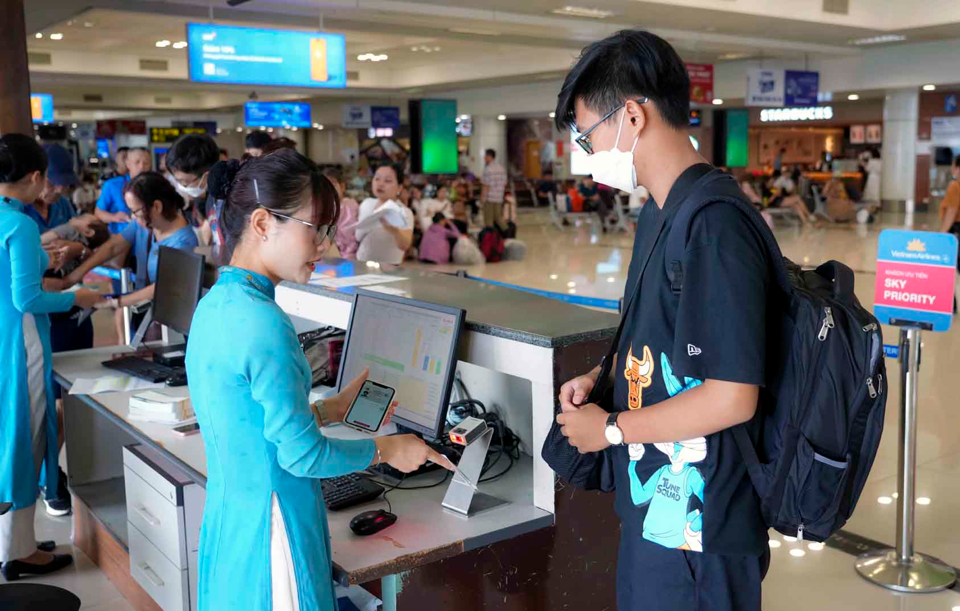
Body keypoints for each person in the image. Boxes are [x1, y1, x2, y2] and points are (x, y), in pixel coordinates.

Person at [553, 30, 771, 611]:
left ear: (631, 115)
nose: (585, 151)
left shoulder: (716, 225)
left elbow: (732, 397)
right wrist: (606, 374)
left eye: (587, 134)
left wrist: (612, 429)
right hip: (657, 510)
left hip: (702, 527)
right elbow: (670, 334)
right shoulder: (661, 211)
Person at [185, 148, 449, 611]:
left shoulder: (217, 303)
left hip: (232, 524)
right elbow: (302, 456)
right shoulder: (264, 321)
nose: (325, 244)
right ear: (264, 223)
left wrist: (330, 409)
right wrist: (388, 448)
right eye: (317, 229)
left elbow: (251, 422)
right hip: (276, 531)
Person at [0, 134, 102, 581]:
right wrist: (77, 296)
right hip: (22, 344)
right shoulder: (18, 225)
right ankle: (17, 553)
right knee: (28, 438)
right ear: (36, 177)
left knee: (9, 439)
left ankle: (14, 540)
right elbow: (27, 298)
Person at [55, 172, 199, 344]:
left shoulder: (183, 241)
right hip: (146, 314)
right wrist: (77, 274)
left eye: (135, 211)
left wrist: (114, 302)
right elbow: (113, 246)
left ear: (157, 207)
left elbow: (162, 287)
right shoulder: (145, 224)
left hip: (172, 327)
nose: (133, 217)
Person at [355, 165, 414, 265]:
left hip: (390, 268)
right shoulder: (366, 204)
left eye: (387, 181)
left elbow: (405, 246)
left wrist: (394, 230)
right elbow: (358, 237)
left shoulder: (404, 211)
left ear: (399, 187)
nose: (380, 184)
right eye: (377, 179)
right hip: (362, 263)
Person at [166, 134, 220, 238]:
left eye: (184, 181)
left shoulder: (227, 203)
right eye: (177, 181)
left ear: (206, 176)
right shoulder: (209, 197)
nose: (182, 186)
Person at [95, 147, 152, 234]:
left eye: (146, 163)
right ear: (128, 164)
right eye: (137, 162)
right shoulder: (112, 184)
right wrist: (113, 217)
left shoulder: (156, 185)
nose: (142, 166)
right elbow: (98, 212)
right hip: (121, 237)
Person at [323, 167, 360, 259]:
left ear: (342, 187)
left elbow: (353, 235)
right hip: (331, 252)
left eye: (333, 185)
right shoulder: (324, 209)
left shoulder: (351, 205)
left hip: (352, 253)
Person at [480, 148, 507, 229]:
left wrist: (482, 199)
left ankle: (491, 238)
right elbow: (505, 183)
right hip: (499, 197)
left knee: (488, 221)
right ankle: (507, 233)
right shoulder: (501, 168)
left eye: (485, 156)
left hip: (489, 198)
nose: (484, 158)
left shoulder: (487, 169)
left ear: (489, 156)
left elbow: (485, 185)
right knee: (498, 218)